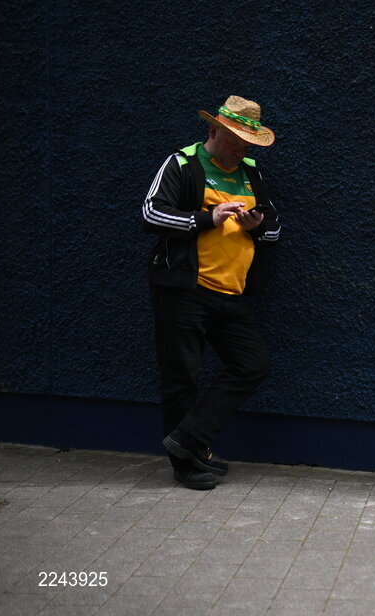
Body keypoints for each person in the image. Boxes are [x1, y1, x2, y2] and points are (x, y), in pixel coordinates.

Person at [142, 95, 281, 490]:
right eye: (236, 140)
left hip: (230, 293)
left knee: (253, 364)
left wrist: (255, 226)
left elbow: (274, 230)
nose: (242, 149)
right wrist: (208, 218)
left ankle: (189, 440)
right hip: (184, 288)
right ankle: (185, 464)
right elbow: (151, 213)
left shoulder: (251, 173)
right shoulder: (183, 163)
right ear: (213, 131)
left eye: (248, 143)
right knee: (182, 376)